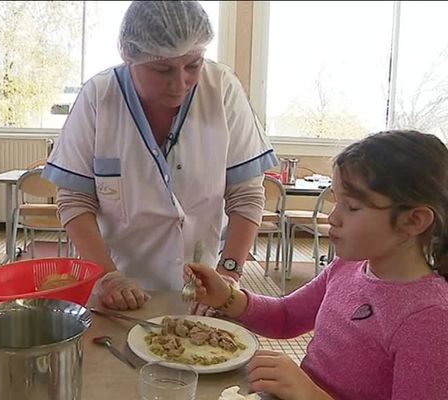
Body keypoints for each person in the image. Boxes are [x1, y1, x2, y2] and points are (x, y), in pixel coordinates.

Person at [42, 1, 277, 311]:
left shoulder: (222, 90)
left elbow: (246, 195)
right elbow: (75, 200)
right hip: (119, 288)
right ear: (130, 55)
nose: (180, 83)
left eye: (193, 65)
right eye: (162, 69)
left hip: (201, 287)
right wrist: (109, 277)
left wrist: (229, 272)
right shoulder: (99, 97)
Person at [185, 130, 448, 399]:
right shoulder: (346, 267)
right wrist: (227, 296)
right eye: (337, 201)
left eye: (353, 207)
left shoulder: (429, 319)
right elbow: (286, 317)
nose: (333, 218)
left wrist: (311, 394)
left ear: (414, 221)